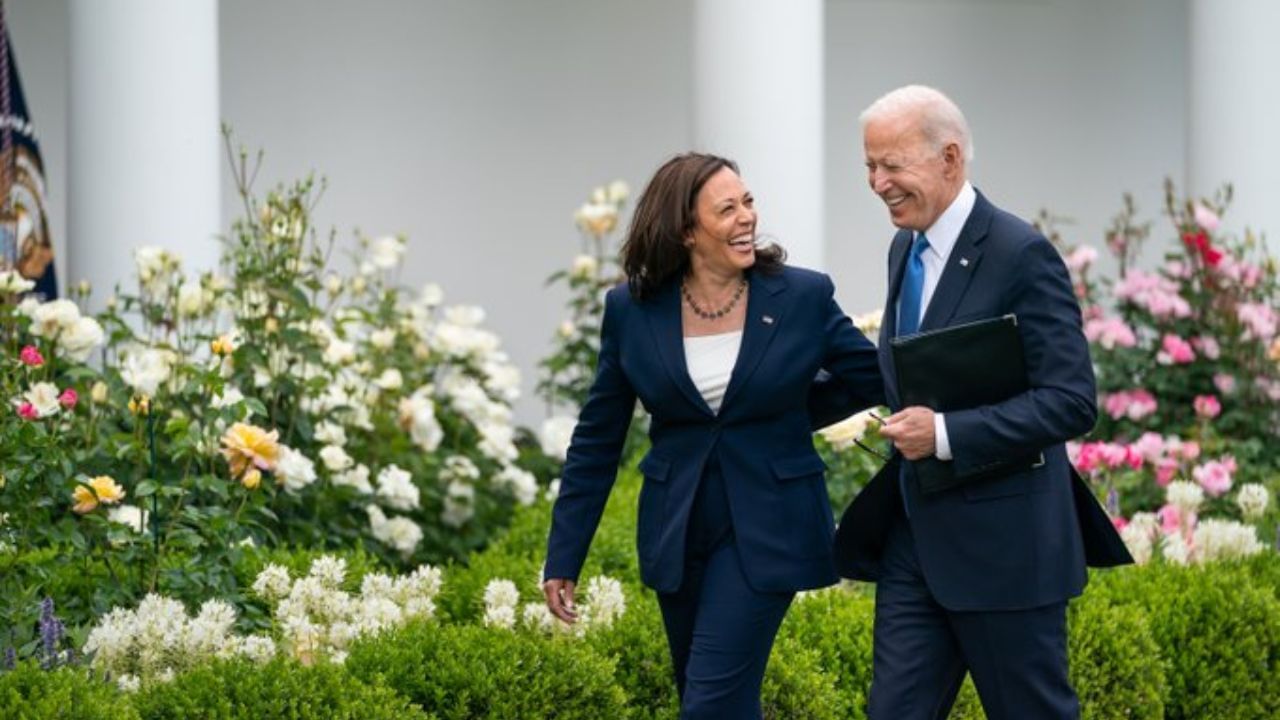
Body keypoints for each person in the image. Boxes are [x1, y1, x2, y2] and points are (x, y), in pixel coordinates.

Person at [543, 152, 884, 719]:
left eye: (747, 202)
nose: (747, 217)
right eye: (727, 209)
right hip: (677, 528)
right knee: (710, 696)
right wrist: (564, 555)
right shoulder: (631, 310)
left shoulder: (800, 296)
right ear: (685, 230)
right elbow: (597, 439)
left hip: (769, 525)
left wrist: (787, 415)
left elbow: (868, 377)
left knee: (711, 703)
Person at [831, 85, 1132, 720]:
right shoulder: (903, 247)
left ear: (950, 157)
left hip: (1007, 550)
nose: (877, 182)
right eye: (869, 165)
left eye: (891, 165)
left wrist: (944, 433)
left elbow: (1072, 401)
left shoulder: (1020, 253)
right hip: (916, 543)